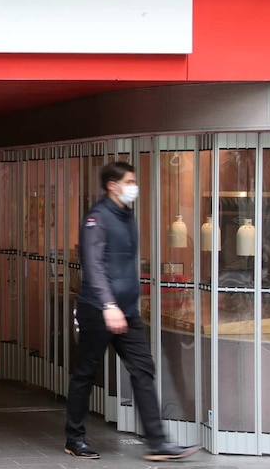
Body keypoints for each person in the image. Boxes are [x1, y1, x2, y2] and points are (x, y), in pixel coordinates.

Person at [64, 161, 201, 462]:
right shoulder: (97, 218)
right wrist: (109, 304)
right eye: (129, 182)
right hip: (99, 310)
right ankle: (74, 438)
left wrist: (124, 305)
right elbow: (93, 263)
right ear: (113, 185)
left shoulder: (126, 216)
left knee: (143, 370)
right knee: (85, 374)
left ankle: (158, 443)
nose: (133, 187)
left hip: (126, 311)